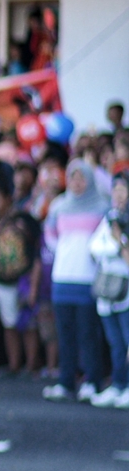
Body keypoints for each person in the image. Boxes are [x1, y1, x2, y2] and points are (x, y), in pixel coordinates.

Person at [42, 159, 112, 401]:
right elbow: (50, 237)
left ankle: (92, 380)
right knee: (65, 333)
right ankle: (66, 381)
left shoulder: (102, 207)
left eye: (82, 178)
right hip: (62, 277)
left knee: (88, 334)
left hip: (88, 278)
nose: (77, 183)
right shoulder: (59, 206)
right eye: (73, 177)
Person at [93, 173, 129, 407]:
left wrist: (118, 240)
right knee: (115, 342)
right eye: (115, 189)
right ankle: (118, 385)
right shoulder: (108, 217)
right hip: (107, 291)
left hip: (125, 291)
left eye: (123, 189)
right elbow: (94, 246)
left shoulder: (119, 224)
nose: (118, 194)